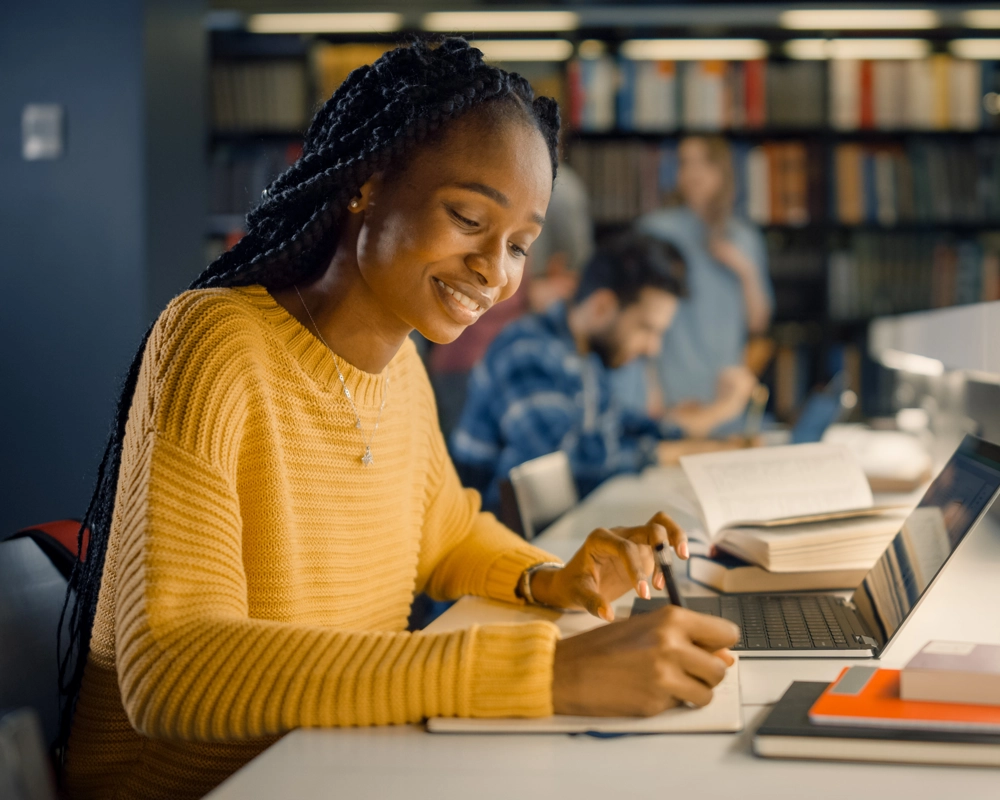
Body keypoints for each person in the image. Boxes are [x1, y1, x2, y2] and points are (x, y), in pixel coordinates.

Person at [57, 41, 738, 800]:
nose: (495, 270)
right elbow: (173, 672)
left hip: (333, 762)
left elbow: (444, 534)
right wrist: (544, 673)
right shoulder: (215, 343)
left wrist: (550, 578)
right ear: (366, 184)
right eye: (468, 217)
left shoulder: (401, 367)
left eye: (518, 245)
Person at [452, 232, 740, 512]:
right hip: (495, 541)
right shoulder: (527, 351)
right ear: (602, 306)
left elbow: (614, 428)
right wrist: (675, 453)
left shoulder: (584, 356)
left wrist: (691, 434)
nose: (653, 349)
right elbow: (560, 465)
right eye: (647, 328)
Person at [612, 135, 773, 434]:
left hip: (725, 391)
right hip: (671, 389)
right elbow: (633, 315)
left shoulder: (744, 238)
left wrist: (745, 272)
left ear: (723, 171)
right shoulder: (656, 230)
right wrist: (648, 384)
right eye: (686, 163)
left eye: (704, 162)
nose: (694, 173)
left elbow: (759, 322)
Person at [426, 162, 594, 439]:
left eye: (518, 247)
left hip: (482, 361)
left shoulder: (554, 194)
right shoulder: (557, 189)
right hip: (469, 363)